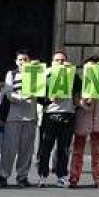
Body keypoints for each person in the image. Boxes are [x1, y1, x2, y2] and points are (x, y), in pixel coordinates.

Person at [37, 51, 79, 188]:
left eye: (62, 60)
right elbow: (37, 95)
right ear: (52, 62)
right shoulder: (46, 75)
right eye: (57, 60)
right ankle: (42, 176)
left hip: (68, 115)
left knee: (64, 148)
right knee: (45, 148)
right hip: (50, 115)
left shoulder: (72, 75)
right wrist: (49, 99)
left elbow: (80, 91)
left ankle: (61, 176)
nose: (60, 62)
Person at [0, 51, 37, 188]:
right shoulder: (11, 74)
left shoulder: (36, 74)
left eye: (25, 59)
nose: (22, 62)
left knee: (26, 150)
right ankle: (3, 175)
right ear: (16, 61)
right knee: (9, 148)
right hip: (13, 116)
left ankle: (22, 176)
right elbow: (8, 94)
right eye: (20, 60)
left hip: (30, 116)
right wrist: (21, 97)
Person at [69, 56, 99, 189]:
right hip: (83, 118)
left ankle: (98, 178)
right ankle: (74, 176)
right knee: (78, 150)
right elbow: (75, 98)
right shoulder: (79, 81)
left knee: (97, 151)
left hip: (97, 119)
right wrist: (83, 102)